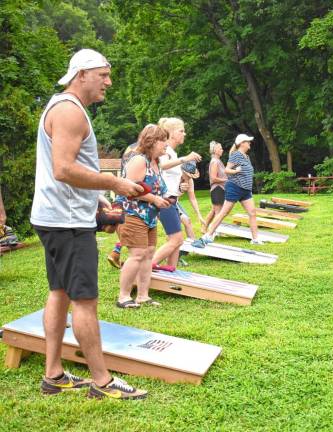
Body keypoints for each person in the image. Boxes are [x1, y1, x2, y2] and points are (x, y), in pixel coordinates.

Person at [30, 48, 147, 400]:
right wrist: (113, 182)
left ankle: (53, 375)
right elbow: (63, 168)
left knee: (60, 292)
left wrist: (95, 196)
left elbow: (66, 170)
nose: (109, 82)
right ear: (82, 74)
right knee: (85, 300)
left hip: (55, 217)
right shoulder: (69, 111)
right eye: (104, 75)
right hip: (66, 224)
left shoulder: (63, 106)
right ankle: (103, 382)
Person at [116, 124, 170, 308]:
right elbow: (129, 189)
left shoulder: (156, 163)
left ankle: (143, 296)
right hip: (133, 213)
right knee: (137, 254)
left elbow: (154, 187)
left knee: (148, 254)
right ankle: (123, 297)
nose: (166, 145)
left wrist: (164, 198)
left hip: (149, 216)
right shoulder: (139, 160)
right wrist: (155, 199)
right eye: (163, 141)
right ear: (152, 141)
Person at [192, 133, 263, 247]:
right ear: (242, 143)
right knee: (223, 213)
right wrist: (236, 171)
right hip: (235, 187)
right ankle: (207, 236)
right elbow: (227, 170)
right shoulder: (236, 155)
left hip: (246, 190)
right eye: (248, 141)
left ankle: (255, 239)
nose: (250, 143)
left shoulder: (246, 156)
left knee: (252, 212)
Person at [151, 117, 202, 270]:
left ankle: (171, 269)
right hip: (164, 201)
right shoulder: (165, 149)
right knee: (177, 239)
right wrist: (184, 159)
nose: (184, 134)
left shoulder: (171, 152)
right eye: (181, 131)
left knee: (174, 238)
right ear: (172, 134)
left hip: (172, 200)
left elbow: (168, 179)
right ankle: (147, 267)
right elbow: (164, 166)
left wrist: (180, 189)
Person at [202, 141, 227, 233]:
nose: (222, 150)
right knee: (218, 212)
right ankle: (215, 232)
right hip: (217, 189)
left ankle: (204, 228)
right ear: (215, 150)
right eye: (220, 148)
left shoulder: (217, 161)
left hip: (220, 189)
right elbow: (213, 178)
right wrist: (226, 180)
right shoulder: (215, 162)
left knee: (214, 210)